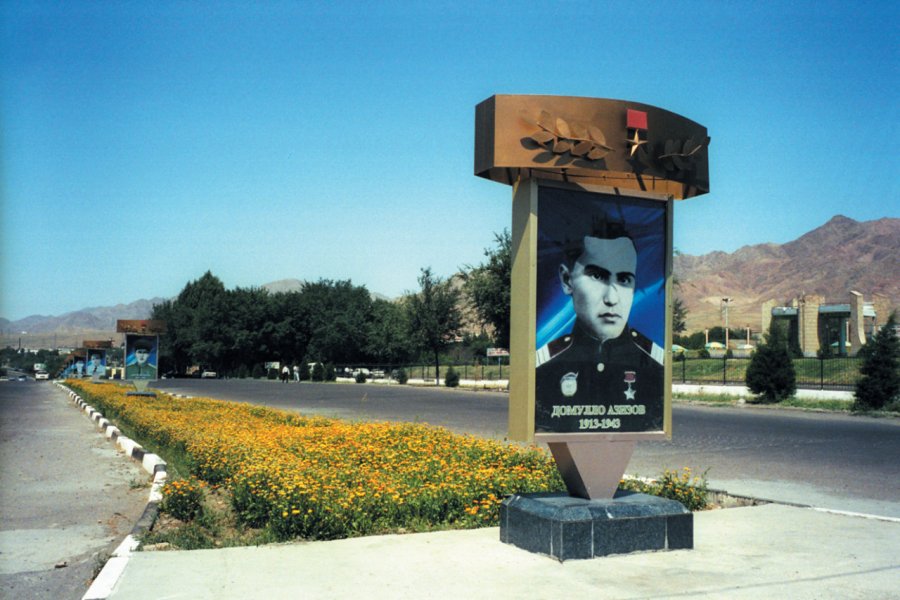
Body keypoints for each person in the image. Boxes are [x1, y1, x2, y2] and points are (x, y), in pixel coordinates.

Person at [535, 219, 664, 433]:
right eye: (597, 276)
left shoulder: (655, 363)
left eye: (624, 280)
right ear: (567, 280)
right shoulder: (543, 364)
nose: (612, 298)